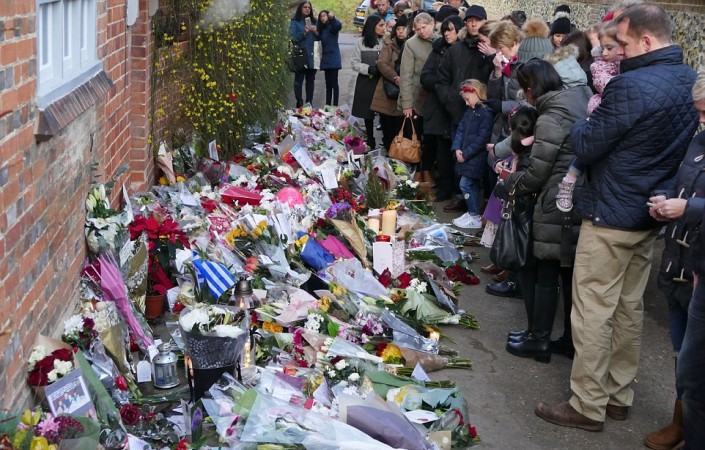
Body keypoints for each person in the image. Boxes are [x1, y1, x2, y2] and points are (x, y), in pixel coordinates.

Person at [536, 4, 699, 431]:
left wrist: (581, 123)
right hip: (649, 212)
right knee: (628, 309)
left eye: (623, 43)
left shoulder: (629, 85)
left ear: (647, 39)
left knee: (593, 309)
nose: (618, 51)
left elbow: (587, 143)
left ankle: (587, 404)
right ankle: (617, 396)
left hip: (611, 213)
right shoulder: (687, 77)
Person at [498, 59, 587, 363]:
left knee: (546, 273)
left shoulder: (551, 117)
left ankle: (539, 340)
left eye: (524, 88)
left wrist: (510, 182)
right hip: (575, 196)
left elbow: (538, 171)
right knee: (568, 276)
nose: (524, 95)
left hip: (555, 200)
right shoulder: (576, 101)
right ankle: (568, 341)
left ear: (531, 87)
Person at [642, 71, 705, 450]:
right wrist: (665, 200)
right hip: (681, 262)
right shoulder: (699, 139)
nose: (701, 120)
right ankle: (681, 421)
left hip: (698, 264)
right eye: (699, 112)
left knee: (696, 362)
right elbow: (681, 180)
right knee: (683, 354)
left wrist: (688, 208)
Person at [556, 20, 621, 213]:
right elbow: (606, 87)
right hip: (598, 110)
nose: (604, 52)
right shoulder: (598, 65)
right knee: (587, 148)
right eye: (602, 47)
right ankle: (569, 180)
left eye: (609, 47)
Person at [421, 15, 465, 201]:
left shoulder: (465, 50)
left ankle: (458, 188)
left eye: (451, 30)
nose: (447, 34)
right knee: (442, 149)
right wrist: (442, 85)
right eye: (445, 30)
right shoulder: (438, 50)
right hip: (440, 106)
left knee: (458, 149)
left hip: (459, 106)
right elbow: (425, 76)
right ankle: (445, 186)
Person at [398, 12, 438, 181]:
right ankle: (417, 169)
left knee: (431, 137)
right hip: (416, 98)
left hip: (435, 98)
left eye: (424, 27)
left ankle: (427, 168)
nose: (422, 31)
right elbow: (406, 75)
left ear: (432, 24)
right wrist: (407, 104)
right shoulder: (411, 44)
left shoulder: (440, 41)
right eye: (418, 29)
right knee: (415, 137)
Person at [451, 79, 495, 229]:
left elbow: (482, 139)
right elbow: (460, 129)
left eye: (467, 99)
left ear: (476, 93)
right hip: (466, 156)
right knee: (471, 184)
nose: (466, 103)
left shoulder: (485, 113)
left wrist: (466, 154)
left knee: (465, 184)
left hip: (475, 158)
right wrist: (457, 148)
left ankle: (474, 214)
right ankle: (472, 212)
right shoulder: (470, 111)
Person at [371, 16, 409, 150]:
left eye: (403, 29)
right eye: (398, 29)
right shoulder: (389, 45)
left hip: (404, 92)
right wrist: (395, 77)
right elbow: (381, 63)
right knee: (387, 126)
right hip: (387, 91)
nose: (400, 32)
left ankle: (398, 153)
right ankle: (388, 151)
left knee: (401, 127)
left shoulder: (411, 45)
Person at [351, 15, 385, 149]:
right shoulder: (361, 42)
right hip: (366, 80)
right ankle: (370, 139)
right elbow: (354, 63)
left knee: (384, 110)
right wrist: (368, 69)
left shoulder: (385, 41)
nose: (384, 28)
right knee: (367, 112)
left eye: (384, 25)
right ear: (372, 26)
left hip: (382, 81)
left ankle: (387, 139)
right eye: (381, 25)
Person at [290, 1, 317, 108]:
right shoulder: (295, 21)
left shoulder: (314, 21)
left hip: (313, 55)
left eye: (309, 7)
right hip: (300, 54)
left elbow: (321, 37)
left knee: (311, 80)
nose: (307, 9)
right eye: (305, 7)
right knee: (299, 79)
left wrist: (316, 32)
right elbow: (292, 37)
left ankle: (309, 102)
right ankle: (299, 101)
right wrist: (303, 33)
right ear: (300, 8)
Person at [317, 10, 342, 106]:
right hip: (326, 58)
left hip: (334, 57)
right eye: (321, 16)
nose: (322, 18)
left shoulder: (332, 25)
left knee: (334, 82)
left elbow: (338, 26)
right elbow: (319, 39)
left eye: (324, 15)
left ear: (328, 16)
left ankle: (335, 105)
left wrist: (333, 18)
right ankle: (327, 104)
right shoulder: (322, 28)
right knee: (328, 83)